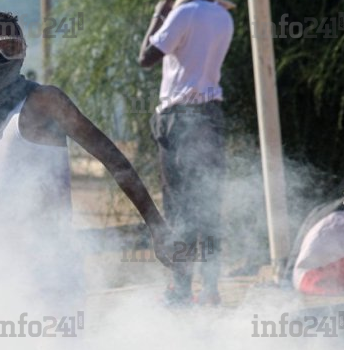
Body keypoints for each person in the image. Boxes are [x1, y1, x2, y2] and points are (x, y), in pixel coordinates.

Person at [0, 12, 173, 324]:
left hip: (50, 271)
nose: (0, 57)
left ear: (23, 50)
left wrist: (157, 227)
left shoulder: (44, 101)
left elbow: (113, 159)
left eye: (10, 47)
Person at [138, 0, 234, 306]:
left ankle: (180, 291)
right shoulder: (223, 17)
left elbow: (146, 57)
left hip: (180, 119)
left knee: (179, 207)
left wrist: (160, 10)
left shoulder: (185, 13)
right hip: (211, 114)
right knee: (208, 204)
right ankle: (210, 290)